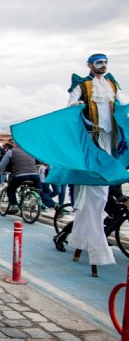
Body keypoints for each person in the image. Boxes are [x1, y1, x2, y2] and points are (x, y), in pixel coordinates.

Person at [64, 54, 127, 270]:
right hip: (93, 140)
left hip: (112, 140)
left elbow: (123, 104)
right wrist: (79, 105)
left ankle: (82, 240)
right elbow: (71, 106)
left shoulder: (112, 83)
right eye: (99, 63)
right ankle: (97, 247)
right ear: (90, 65)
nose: (103, 66)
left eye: (105, 62)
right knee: (97, 193)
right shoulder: (82, 85)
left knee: (99, 195)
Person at [0, 145, 54, 214]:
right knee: (39, 192)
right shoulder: (31, 151)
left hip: (19, 175)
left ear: (16, 144)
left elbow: (3, 164)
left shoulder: (11, 151)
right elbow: (38, 162)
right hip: (35, 175)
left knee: (10, 189)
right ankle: (55, 205)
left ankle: (14, 206)